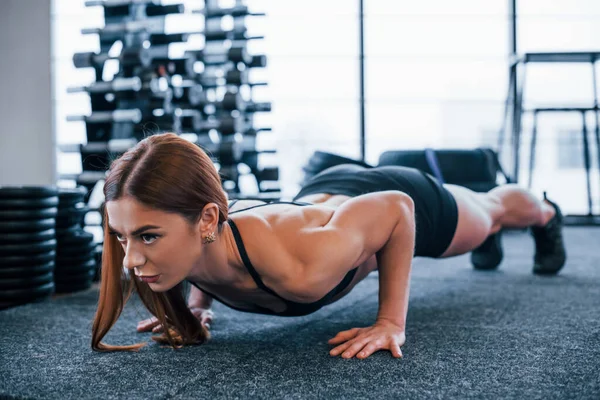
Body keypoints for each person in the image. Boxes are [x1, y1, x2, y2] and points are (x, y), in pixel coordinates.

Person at [91, 133, 566, 359]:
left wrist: (389, 323)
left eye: (148, 236)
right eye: (122, 236)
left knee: (490, 211)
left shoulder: (301, 264)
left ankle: (546, 212)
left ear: (206, 220)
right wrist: (197, 306)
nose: (131, 260)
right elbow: (211, 250)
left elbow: (398, 208)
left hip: (385, 197)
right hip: (319, 195)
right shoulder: (191, 237)